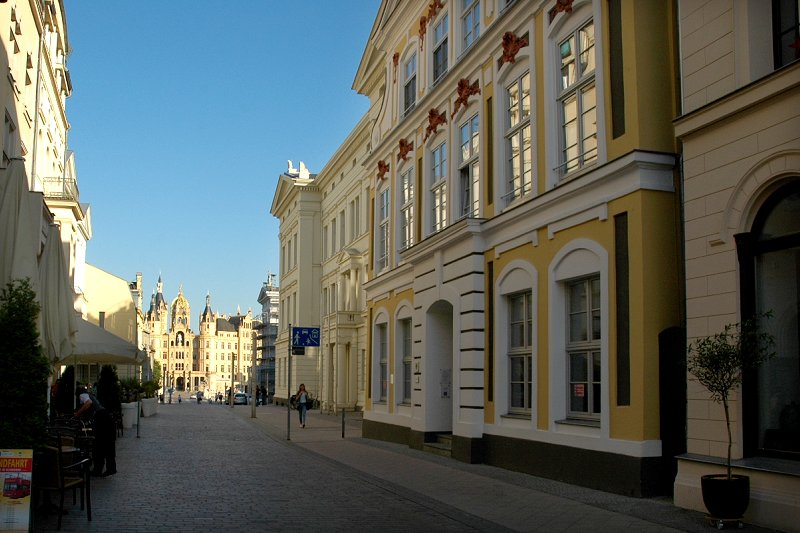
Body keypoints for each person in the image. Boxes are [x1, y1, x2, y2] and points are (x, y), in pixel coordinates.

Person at [74, 384, 117, 477]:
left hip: (101, 420)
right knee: (108, 444)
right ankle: (110, 468)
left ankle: (98, 469)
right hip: (107, 418)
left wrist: (77, 413)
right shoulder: (91, 395)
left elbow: (88, 403)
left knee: (98, 445)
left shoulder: (83, 395)